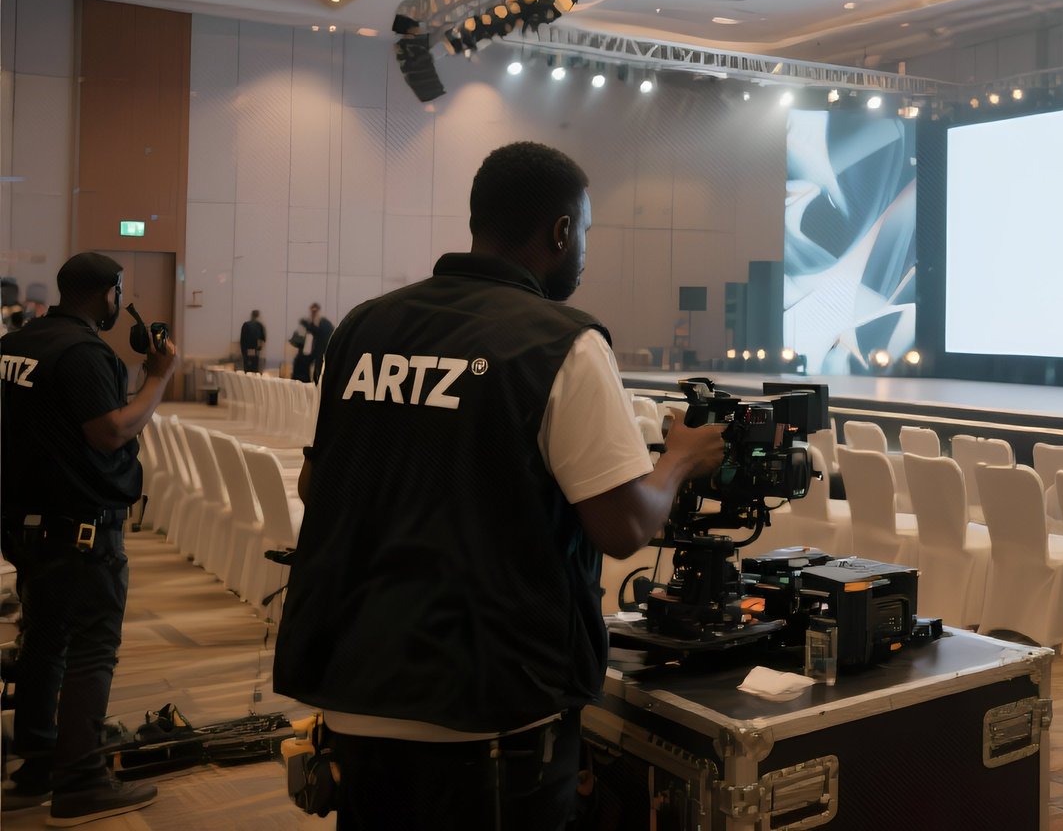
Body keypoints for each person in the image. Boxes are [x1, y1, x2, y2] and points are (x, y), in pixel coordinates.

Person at [273, 142, 726, 828]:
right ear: (561, 231)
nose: (585, 252)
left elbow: (315, 485)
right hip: (489, 711)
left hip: (354, 689)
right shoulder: (562, 341)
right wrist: (681, 459)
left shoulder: (365, 326)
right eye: (588, 233)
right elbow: (625, 526)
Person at [0, 252, 178, 824]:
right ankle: (80, 783)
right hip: (78, 531)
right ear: (111, 293)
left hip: (28, 526)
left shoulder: (18, 345)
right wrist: (157, 377)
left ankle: (37, 766)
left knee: (44, 643)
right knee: (91, 650)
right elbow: (113, 431)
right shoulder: (83, 353)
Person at [291, 303, 332, 383]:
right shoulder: (305, 324)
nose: (314, 313)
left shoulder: (325, 325)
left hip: (318, 357)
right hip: (304, 361)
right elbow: (297, 340)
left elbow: (328, 339)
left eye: (315, 311)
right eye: (313, 311)